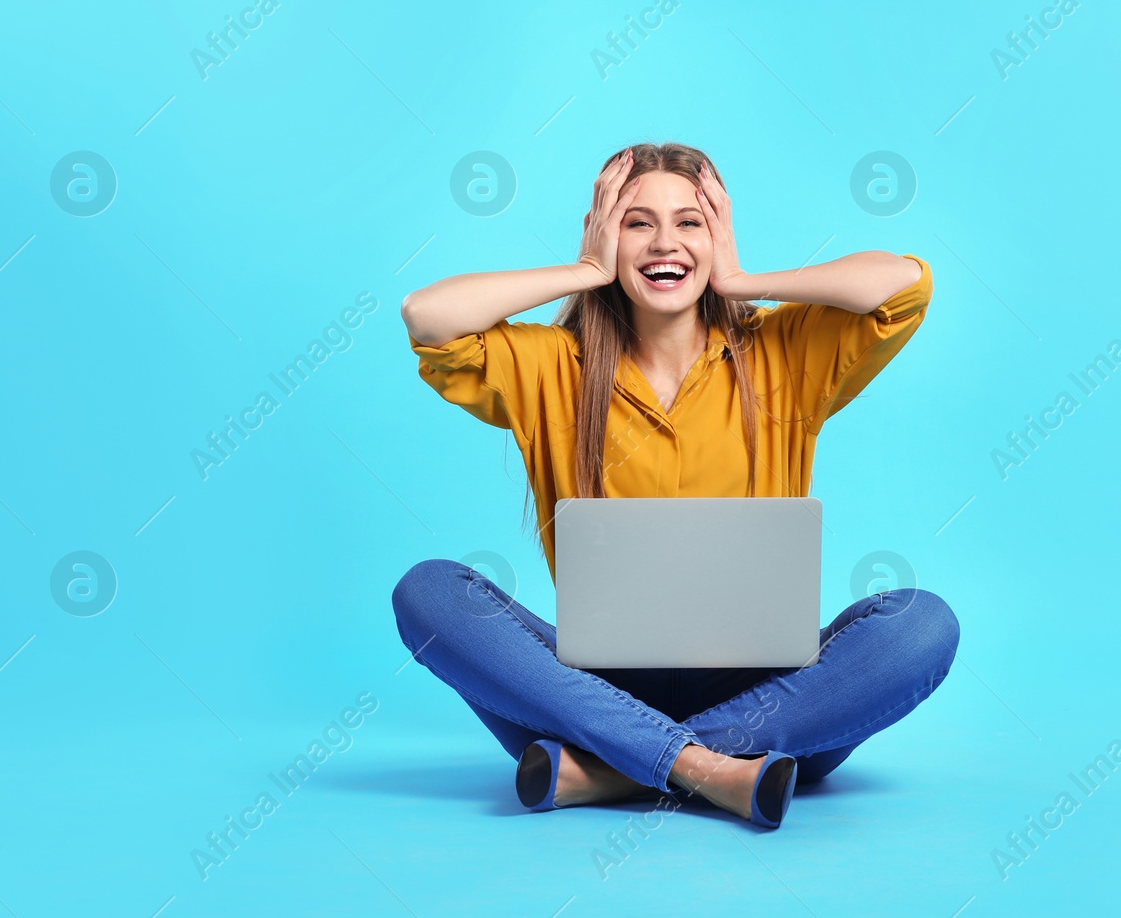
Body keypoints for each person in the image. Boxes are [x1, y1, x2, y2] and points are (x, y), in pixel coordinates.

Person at [392, 141, 959, 828]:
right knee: (429, 592)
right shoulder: (552, 366)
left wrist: (745, 281)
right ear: (606, 232)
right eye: (637, 222)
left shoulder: (783, 352)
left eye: (689, 221)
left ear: (716, 233)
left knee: (921, 625)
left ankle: (612, 771)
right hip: (591, 695)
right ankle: (704, 770)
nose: (667, 242)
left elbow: (904, 284)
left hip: (767, 701)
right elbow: (428, 315)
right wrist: (583, 270)